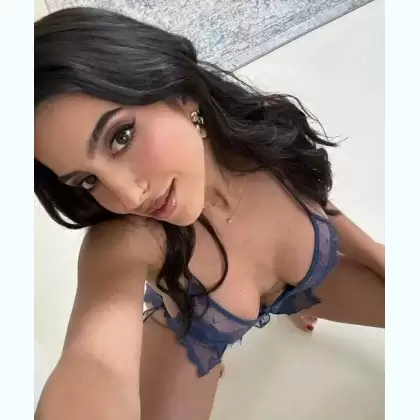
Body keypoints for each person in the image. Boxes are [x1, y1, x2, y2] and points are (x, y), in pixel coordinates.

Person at [34, 7, 385, 420]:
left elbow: (315, 200)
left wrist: (378, 255)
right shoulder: (127, 241)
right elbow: (94, 362)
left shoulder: (265, 140)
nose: (127, 197)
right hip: (195, 338)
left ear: (179, 95)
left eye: (120, 137)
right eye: (87, 180)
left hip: (305, 287)